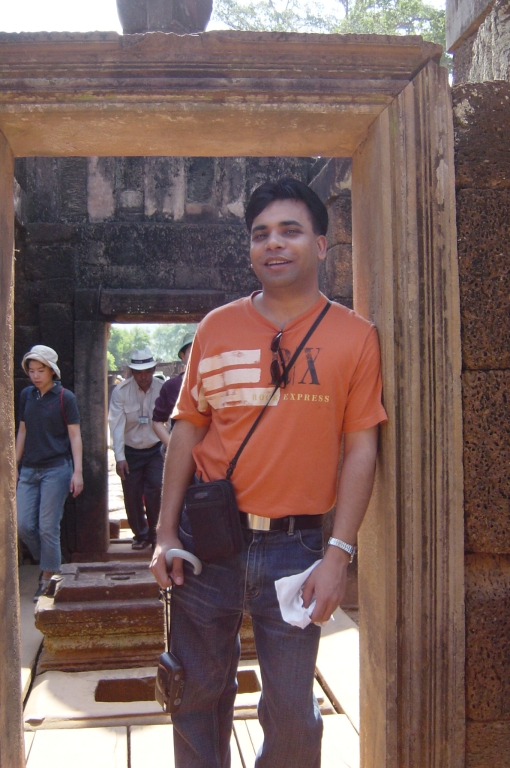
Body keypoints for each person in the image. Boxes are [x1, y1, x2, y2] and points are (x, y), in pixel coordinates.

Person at [150, 178, 388, 767]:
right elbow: (188, 429)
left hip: (298, 551)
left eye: (290, 231)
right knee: (197, 695)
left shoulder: (356, 338)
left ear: (322, 244)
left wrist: (339, 554)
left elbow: (362, 448)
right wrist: (164, 534)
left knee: (291, 715)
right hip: (209, 546)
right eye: (261, 234)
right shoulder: (216, 328)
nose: (273, 244)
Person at [16, 345, 83, 602]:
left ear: (52, 371)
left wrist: (78, 472)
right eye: (31, 371)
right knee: (24, 526)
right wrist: (15, 464)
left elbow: (75, 436)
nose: (35, 375)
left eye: (40, 370)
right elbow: (22, 430)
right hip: (30, 469)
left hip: (57, 468)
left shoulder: (66, 397)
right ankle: (50, 561)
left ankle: (48, 577)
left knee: (47, 526)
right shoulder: (26, 395)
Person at [108, 347, 164, 550]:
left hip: (155, 449)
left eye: (148, 371)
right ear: (132, 372)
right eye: (139, 372)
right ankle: (140, 535)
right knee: (131, 494)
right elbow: (116, 425)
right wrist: (120, 457)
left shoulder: (161, 388)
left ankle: (156, 534)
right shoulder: (120, 392)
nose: (144, 376)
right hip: (131, 451)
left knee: (156, 489)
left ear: (153, 369)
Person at [151, 331, 195, 449]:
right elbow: (157, 421)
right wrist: (173, 448)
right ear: (183, 355)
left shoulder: (215, 384)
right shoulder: (172, 386)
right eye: (193, 352)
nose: (198, 356)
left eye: (202, 351)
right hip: (183, 452)